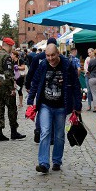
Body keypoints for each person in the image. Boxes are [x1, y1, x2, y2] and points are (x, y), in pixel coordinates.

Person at [28, 43, 82, 173]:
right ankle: (43, 163)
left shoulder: (67, 65)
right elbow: (35, 82)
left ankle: (57, 161)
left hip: (61, 106)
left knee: (59, 135)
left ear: (58, 53)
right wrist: (30, 100)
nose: (50, 58)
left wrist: (78, 105)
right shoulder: (43, 65)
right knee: (45, 131)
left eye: (52, 55)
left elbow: (76, 86)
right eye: (47, 55)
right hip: (45, 105)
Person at [0, 37, 25, 141]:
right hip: (5, 85)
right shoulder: (7, 57)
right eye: (12, 46)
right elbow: (8, 73)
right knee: (12, 109)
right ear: (8, 45)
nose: (12, 48)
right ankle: (13, 131)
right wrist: (12, 88)